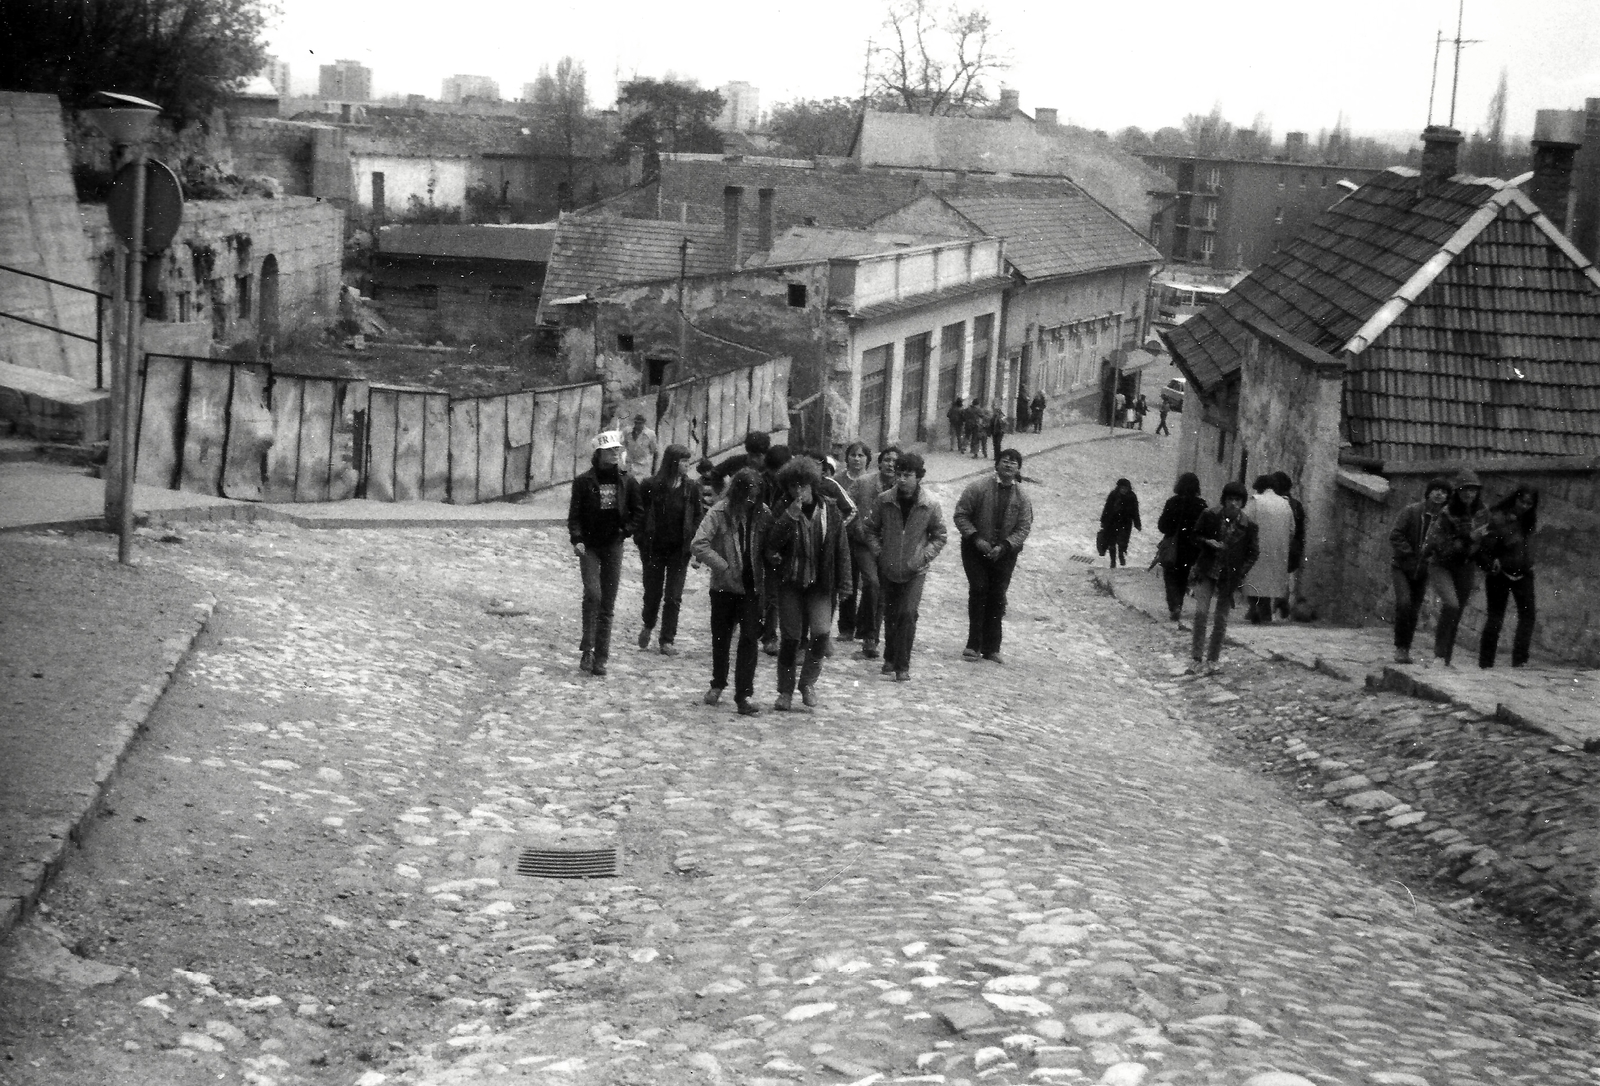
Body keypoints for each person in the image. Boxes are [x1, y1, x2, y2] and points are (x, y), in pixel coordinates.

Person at [765, 457, 851, 710]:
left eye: (801, 485)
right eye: (792, 486)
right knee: (790, 639)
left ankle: (808, 682)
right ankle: (785, 691)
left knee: (822, 634)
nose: (797, 490)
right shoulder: (783, 507)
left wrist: (845, 583)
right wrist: (788, 517)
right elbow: (771, 544)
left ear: (812, 484)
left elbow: (841, 548)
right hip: (791, 581)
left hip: (820, 583)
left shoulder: (829, 510)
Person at [690, 467, 771, 715]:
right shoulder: (720, 512)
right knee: (721, 638)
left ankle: (744, 695)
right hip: (724, 587)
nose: (752, 500)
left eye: (756, 495)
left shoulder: (763, 514)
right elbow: (699, 543)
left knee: (749, 639)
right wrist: (722, 565)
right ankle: (718, 682)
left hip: (752, 587)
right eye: (748, 495)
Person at [867, 451, 948, 682]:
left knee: (908, 613)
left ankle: (903, 664)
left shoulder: (929, 504)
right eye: (899, 474)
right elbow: (871, 529)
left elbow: (939, 535)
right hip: (889, 566)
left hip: (915, 569)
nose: (902, 479)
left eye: (907, 475)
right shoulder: (885, 500)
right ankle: (889, 657)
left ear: (919, 477)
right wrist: (880, 553)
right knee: (891, 613)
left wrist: (923, 557)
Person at [567, 431, 643, 678]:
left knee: (607, 603)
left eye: (617, 450)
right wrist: (576, 539)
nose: (614, 454)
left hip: (613, 545)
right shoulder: (583, 481)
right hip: (589, 545)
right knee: (593, 593)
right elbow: (575, 515)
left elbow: (638, 513)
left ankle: (601, 657)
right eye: (610, 450)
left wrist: (625, 531)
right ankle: (587, 648)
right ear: (599, 453)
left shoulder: (627, 480)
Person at [953, 447, 1033, 664]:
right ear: (997, 464)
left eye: (1013, 463)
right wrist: (976, 538)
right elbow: (961, 515)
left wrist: (1006, 545)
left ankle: (992, 647)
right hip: (975, 550)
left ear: (1018, 469)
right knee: (979, 589)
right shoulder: (978, 488)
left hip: (1005, 554)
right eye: (1005, 461)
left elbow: (1024, 527)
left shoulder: (1022, 498)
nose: (1008, 465)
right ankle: (973, 644)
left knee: (997, 595)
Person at [635, 444, 701, 656]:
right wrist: (641, 540)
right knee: (652, 593)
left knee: (673, 596)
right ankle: (648, 624)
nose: (687, 465)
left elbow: (698, 517)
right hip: (655, 547)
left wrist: (695, 544)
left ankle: (667, 640)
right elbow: (639, 514)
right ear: (672, 462)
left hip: (679, 551)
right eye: (683, 461)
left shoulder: (691, 488)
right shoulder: (650, 485)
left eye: (688, 461)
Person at [1187, 480, 1259, 675]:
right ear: (1224, 500)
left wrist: (1240, 572)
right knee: (1201, 613)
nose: (1233, 503)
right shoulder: (1210, 516)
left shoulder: (1249, 526)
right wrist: (1207, 542)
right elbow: (1194, 536)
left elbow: (1253, 553)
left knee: (1221, 618)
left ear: (1242, 502)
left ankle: (1213, 659)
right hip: (1207, 570)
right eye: (1230, 499)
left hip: (1228, 577)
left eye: (1237, 500)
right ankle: (1196, 657)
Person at [1422, 469, 1488, 666]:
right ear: (1457, 492)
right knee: (1451, 604)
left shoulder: (1483, 512)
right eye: (1465, 490)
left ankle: (1446, 658)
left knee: (1456, 613)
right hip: (1441, 565)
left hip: (1465, 566)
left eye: (1473, 490)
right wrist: (1469, 538)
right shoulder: (1447, 513)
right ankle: (1439, 655)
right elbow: (1440, 546)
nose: (1469, 494)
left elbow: (1489, 537)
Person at [1388, 477, 1450, 665]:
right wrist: (1411, 553)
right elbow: (1396, 535)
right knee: (1404, 603)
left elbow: (1445, 544)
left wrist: (1434, 556)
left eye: (1444, 492)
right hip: (1402, 567)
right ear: (1428, 492)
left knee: (1414, 610)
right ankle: (1400, 647)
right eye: (1436, 490)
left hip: (1423, 571)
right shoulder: (1412, 512)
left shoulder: (1445, 520)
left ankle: (1405, 649)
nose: (1439, 494)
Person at [1477, 485, 1538, 669]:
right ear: (1514, 499)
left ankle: (1520, 661)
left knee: (1528, 616)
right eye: (1522, 501)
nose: (1525, 506)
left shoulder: (1529, 520)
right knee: (1495, 618)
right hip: (1500, 575)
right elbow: (1483, 549)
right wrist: (1490, 563)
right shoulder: (1497, 518)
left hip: (1523, 574)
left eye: (1529, 503)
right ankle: (1486, 664)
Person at [844, 446, 896, 658]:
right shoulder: (863, 483)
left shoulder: (902, 489)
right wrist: (857, 528)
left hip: (889, 547)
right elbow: (846, 506)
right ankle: (868, 633)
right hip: (864, 543)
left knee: (881, 591)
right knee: (872, 583)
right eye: (887, 460)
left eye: (895, 461)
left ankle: (870, 638)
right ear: (879, 462)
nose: (891, 464)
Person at [1156, 472, 1208, 622]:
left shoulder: (1172, 502)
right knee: (1183, 577)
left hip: (1174, 547)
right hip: (1192, 549)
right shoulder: (1201, 505)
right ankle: (1178, 603)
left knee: (1170, 576)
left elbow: (1162, 526)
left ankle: (1174, 606)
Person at [1242, 475, 1293, 623]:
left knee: (1255, 583)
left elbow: (1244, 522)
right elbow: (1292, 530)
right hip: (1278, 551)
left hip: (1257, 550)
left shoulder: (1256, 502)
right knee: (1271, 583)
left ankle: (1259, 612)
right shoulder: (1285, 504)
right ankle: (1265, 611)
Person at [1269, 472, 1306, 619]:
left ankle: (1275, 607)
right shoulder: (1297, 505)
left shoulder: (1277, 504)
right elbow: (1300, 531)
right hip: (1292, 549)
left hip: (1278, 547)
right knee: (1287, 580)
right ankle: (1282, 604)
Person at [1099, 478, 1142, 567]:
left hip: (1125, 523)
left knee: (1123, 541)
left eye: (1126, 488)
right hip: (1112, 522)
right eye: (1122, 488)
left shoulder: (1132, 497)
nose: (1124, 490)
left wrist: (1137, 523)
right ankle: (1113, 561)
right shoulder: (1113, 495)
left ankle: (1121, 554)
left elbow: (1135, 511)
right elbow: (1107, 508)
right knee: (1111, 542)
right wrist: (1103, 520)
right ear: (1118, 488)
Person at [624, 414, 659, 480]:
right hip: (629, 466)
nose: (638, 425)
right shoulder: (627, 432)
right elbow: (625, 445)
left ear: (644, 423)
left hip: (643, 468)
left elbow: (654, 451)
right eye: (636, 423)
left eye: (640, 423)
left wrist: (654, 469)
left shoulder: (650, 434)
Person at [988, 403, 1007, 469]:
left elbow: (1005, 424)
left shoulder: (1002, 417)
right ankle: (995, 456)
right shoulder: (993, 417)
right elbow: (991, 425)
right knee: (995, 444)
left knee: (998, 444)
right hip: (994, 432)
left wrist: (1002, 429)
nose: (995, 412)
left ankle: (998, 456)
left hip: (999, 433)